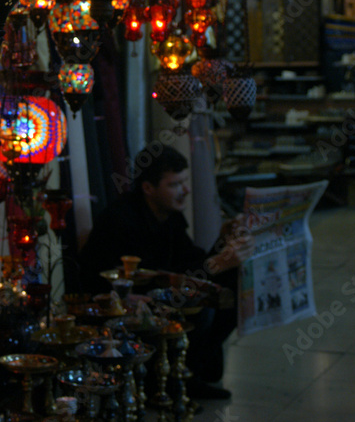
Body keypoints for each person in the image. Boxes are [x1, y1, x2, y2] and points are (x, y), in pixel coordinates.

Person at [77, 144, 253, 400]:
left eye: (185, 182)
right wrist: (218, 262)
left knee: (232, 281)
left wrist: (222, 243)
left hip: (162, 292)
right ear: (148, 188)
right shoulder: (123, 219)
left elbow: (190, 263)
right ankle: (170, 380)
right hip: (125, 304)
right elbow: (155, 279)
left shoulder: (168, 215)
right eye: (175, 184)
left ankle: (193, 371)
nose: (185, 190)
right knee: (191, 299)